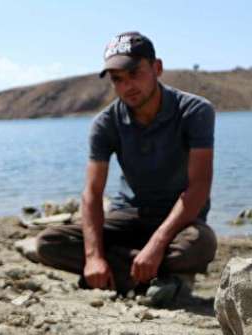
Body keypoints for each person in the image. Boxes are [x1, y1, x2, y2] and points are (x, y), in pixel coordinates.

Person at [16, 32, 217, 306]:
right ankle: (158, 278)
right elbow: (92, 192)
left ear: (157, 68)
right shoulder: (105, 123)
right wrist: (93, 256)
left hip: (178, 221)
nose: (127, 86)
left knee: (202, 243)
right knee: (49, 243)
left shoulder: (195, 111)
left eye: (134, 73)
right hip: (128, 217)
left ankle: (130, 273)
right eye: (117, 79)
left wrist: (157, 245)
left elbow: (199, 188)